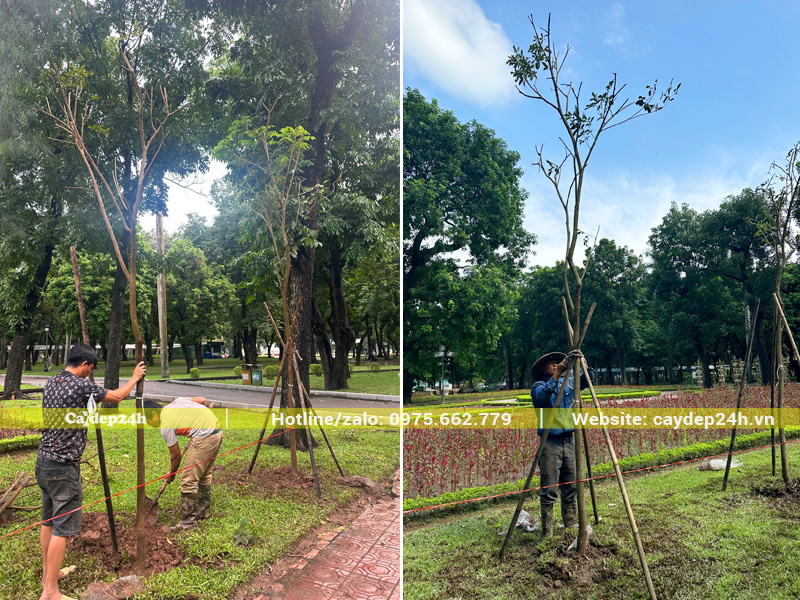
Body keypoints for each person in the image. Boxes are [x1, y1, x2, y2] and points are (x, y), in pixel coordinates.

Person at [37, 344, 146, 600]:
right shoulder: (79, 384)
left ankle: (48, 574)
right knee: (62, 528)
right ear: (85, 364)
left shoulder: (52, 381)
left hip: (44, 463)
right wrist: (134, 378)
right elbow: (117, 397)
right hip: (63, 468)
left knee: (48, 520)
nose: (90, 373)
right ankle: (50, 592)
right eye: (91, 368)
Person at [530, 351, 593, 538]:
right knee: (549, 489)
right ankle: (547, 531)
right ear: (543, 369)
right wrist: (557, 376)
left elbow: (588, 381)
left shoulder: (569, 385)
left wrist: (584, 365)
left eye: (557, 363)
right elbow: (542, 397)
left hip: (569, 441)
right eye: (551, 365)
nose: (555, 365)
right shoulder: (539, 386)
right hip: (550, 443)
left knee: (572, 484)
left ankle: (571, 522)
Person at [143, 397, 222, 530]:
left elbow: (175, 456)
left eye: (148, 420)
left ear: (155, 414)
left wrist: (172, 474)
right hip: (217, 431)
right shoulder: (177, 401)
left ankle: (188, 523)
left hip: (205, 437)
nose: (149, 424)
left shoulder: (166, 425)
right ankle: (202, 512)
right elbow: (202, 400)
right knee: (204, 474)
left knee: (188, 480)